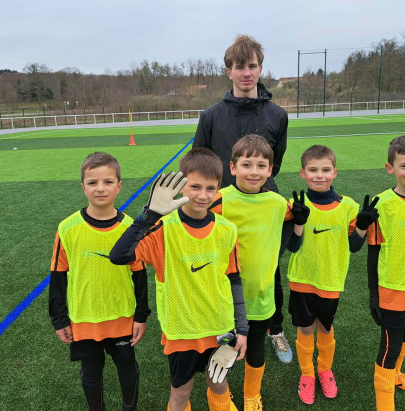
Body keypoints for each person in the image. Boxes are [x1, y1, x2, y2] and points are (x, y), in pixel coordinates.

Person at [110, 148, 248, 411]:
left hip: (220, 327)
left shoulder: (227, 229)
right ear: (181, 186)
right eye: (195, 186)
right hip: (181, 331)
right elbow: (119, 255)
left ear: (218, 189)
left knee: (218, 383)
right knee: (181, 392)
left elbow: (233, 278)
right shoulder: (163, 229)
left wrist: (242, 328)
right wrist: (150, 214)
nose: (203, 195)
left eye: (210, 188)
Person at [192, 34, 292, 364]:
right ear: (229, 72)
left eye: (251, 66)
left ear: (260, 69)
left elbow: (276, 161)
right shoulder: (211, 116)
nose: (246, 73)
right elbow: (200, 161)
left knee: (268, 270)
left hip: (263, 204)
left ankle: (274, 329)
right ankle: (217, 328)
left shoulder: (277, 115)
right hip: (221, 208)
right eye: (239, 67)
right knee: (218, 269)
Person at [209, 134, 309, 410]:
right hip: (223, 298)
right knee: (221, 352)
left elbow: (295, 243)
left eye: (261, 165)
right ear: (232, 167)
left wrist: (299, 222)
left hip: (262, 296)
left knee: (255, 351)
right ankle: (221, 397)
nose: (254, 172)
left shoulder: (278, 203)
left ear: (270, 170)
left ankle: (252, 395)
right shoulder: (219, 200)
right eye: (246, 164)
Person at [49, 151, 150, 411]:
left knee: (127, 368)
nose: (100, 188)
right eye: (92, 182)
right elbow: (58, 276)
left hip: (122, 316)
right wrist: (59, 319)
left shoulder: (130, 228)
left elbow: (139, 275)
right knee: (91, 372)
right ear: (83, 187)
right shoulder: (68, 228)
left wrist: (141, 316)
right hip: (84, 318)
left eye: (108, 182)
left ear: (119, 186)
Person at [288, 145, 378, 405]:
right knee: (305, 328)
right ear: (302, 173)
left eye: (325, 170)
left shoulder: (348, 206)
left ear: (335, 172)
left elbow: (354, 246)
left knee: (325, 326)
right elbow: (292, 246)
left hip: (331, 280)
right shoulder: (296, 205)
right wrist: (298, 222)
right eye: (313, 170)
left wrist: (362, 227)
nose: (319, 175)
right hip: (302, 278)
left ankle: (324, 369)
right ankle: (307, 373)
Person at [367, 135, 405, 411]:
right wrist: (373, 293)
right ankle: (385, 405)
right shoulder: (382, 203)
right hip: (392, 289)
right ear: (390, 168)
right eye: (404, 165)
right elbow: (373, 252)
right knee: (390, 349)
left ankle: (397, 376)